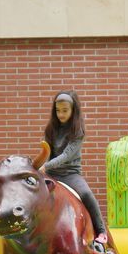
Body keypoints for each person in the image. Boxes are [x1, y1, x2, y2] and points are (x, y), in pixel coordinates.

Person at [42, 90, 107, 244]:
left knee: (86, 194)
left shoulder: (77, 131)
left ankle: (101, 231)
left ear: (73, 110)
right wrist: (42, 167)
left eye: (65, 110)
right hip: (51, 172)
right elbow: (47, 152)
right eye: (58, 110)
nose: (61, 114)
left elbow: (66, 156)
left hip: (70, 174)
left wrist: (46, 166)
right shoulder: (51, 129)